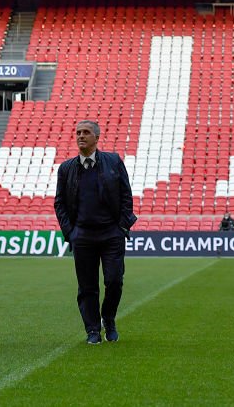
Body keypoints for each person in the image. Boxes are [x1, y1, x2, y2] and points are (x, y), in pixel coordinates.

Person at [55, 120, 138, 344]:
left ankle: (108, 319)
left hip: (112, 234)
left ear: (96, 137)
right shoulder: (66, 168)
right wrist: (70, 233)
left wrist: (122, 226)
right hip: (82, 236)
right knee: (87, 286)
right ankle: (92, 330)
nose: (81, 136)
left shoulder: (113, 161)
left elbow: (126, 195)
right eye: (78, 132)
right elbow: (60, 203)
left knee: (114, 281)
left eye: (86, 132)